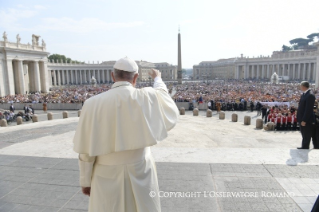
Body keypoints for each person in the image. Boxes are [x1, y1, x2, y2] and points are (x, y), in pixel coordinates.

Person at [73, 57, 179, 212]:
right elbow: (163, 95)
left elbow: (86, 151)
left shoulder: (92, 104)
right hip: (140, 170)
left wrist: (85, 180)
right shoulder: (147, 96)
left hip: (105, 174)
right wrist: (157, 79)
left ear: (112, 76)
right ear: (135, 77)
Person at [297, 81, 317, 149]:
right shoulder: (305, 94)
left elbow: (308, 109)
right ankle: (304, 145)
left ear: (303, 86)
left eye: (301, 86)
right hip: (302, 117)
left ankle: (305, 146)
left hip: (306, 119)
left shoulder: (310, 95)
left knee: (306, 132)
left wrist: (304, 120)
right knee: (304, 132)